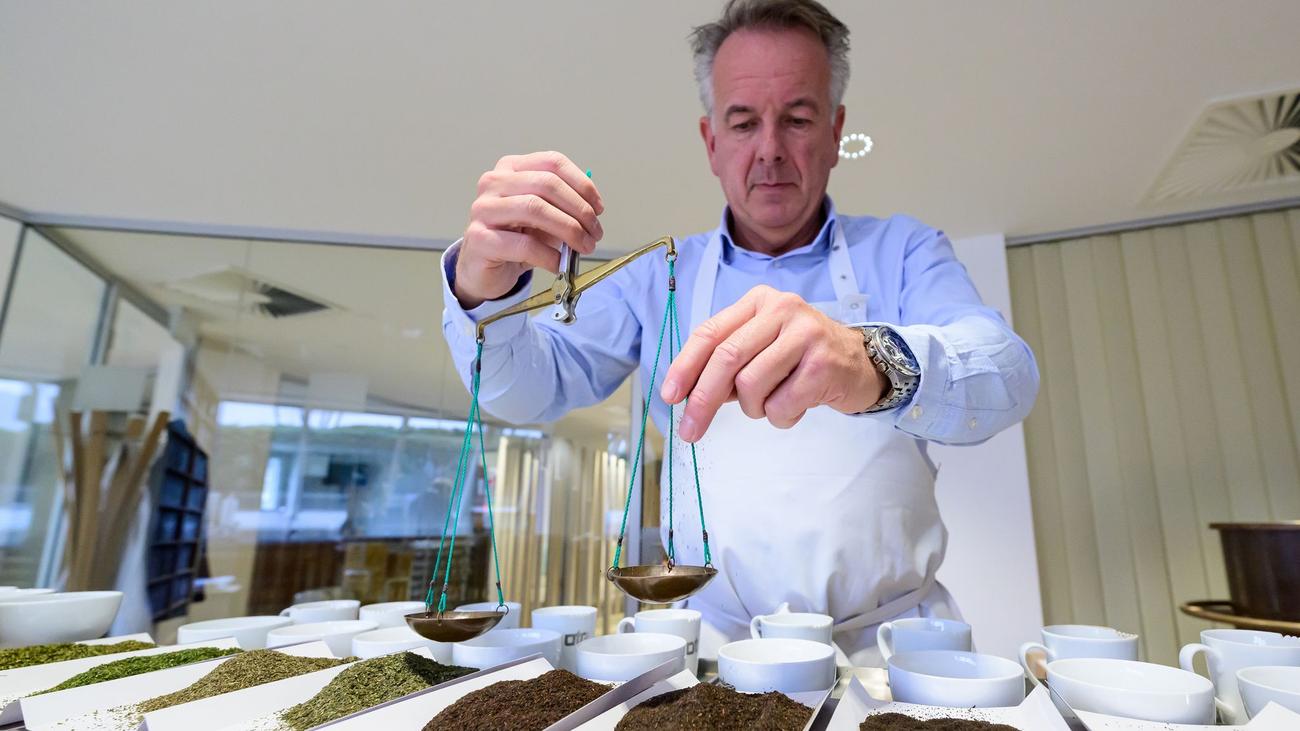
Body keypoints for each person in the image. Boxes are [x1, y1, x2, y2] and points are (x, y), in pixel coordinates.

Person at [440, 0, 1039, 665]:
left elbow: (1007, 375)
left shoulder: (904, 253)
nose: (770, 149)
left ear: (835, 131)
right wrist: (482, 288)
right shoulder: (660, 276)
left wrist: (866, 357)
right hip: (715, 649)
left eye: (798, 118)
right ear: (711, 141)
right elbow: (523, 391)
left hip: (894, 650)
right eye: (744, 121)